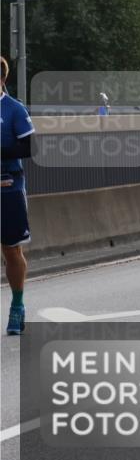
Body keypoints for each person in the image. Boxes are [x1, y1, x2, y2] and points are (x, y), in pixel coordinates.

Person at [1, 57, 33, 335]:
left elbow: (27, 147)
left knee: (11, 249)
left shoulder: (14, 109)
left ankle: (18, 305)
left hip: (7, 185)